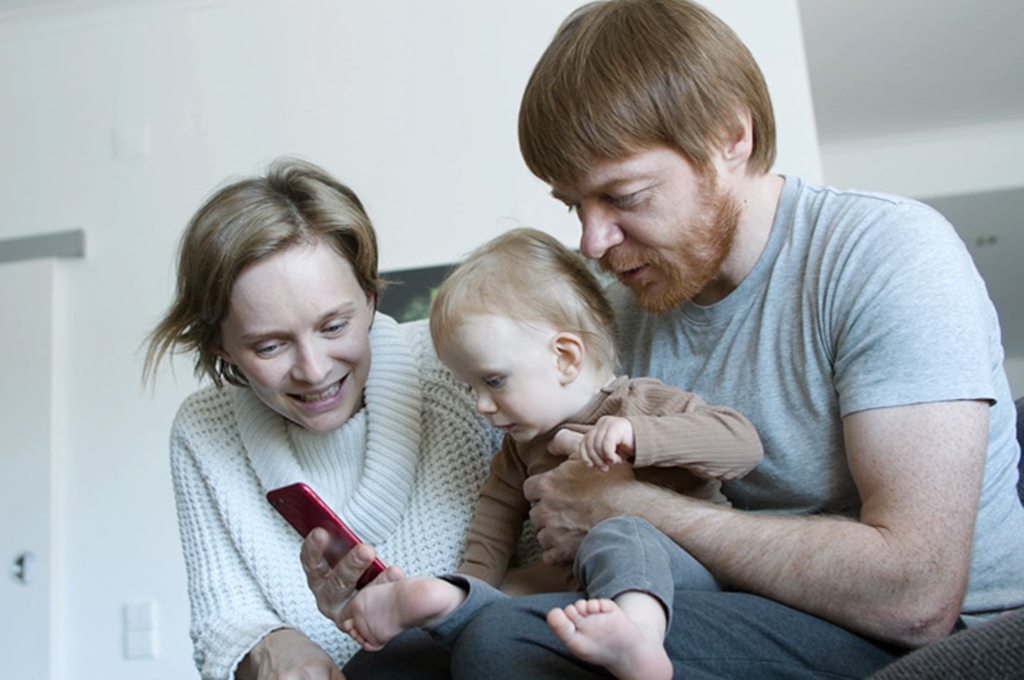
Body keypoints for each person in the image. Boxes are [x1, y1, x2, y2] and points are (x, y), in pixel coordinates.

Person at [307, 1, 1024, 678]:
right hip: (715, 603)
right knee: (395, 663)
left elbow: (916, 594)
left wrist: (631, 507)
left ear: (730, 137)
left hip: (928, 642)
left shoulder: (885, 256)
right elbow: (562, 525)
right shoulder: (617, 313)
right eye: (573, 205)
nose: (592, 239)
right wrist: (422, 599)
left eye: (624, 197)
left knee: (512, 648)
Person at [336, 227, 763, 680]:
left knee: (621, 535)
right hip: (581, 589)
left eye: (494, 381)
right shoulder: (520, 448)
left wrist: (640, 437)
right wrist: (478, 580)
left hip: (691, 582)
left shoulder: (637, 404)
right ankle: (447, 602)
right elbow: (493, 524)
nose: (481, 404)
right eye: (471, 387)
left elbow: (742, 444)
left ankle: (638, 637)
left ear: (564, 358)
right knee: (510, 587)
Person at [143, 157, 504, 679]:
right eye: (269, 345)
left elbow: (562, 570)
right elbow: (225, 623)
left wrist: (433, 609)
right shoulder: (204, 430)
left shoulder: (457, 368)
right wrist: (270, 647)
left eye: (335, 326)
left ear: (371, 295)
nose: (313, 371)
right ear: (220, 347)